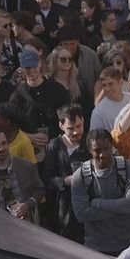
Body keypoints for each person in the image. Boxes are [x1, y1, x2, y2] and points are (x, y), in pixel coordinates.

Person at [70, 129, 130, 257]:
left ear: (112, 147)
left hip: (127, 245)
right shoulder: (80, 177)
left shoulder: (128, 169)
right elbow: (81, 214)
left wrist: (97, 203)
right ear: (90, 150)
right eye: (97, 150)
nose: (102, 154)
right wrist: (120, 209)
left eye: (106, 149)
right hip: (96, 247)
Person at [0, 129, 45, 223]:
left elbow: (40, 189)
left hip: (27, 222)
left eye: (4, 143)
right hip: (2, 224)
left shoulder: (25, 165)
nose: (1, 148)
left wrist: (27, 205)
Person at [43, 103, 89, 243]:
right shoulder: (55, 146)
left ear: (83, 121)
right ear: (61, 126)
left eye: (78, 126)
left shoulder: (89, 142)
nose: (75, 132)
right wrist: (65, 181)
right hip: (66, 207)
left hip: (88, 203)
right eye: (70, 128)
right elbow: (47, 178)